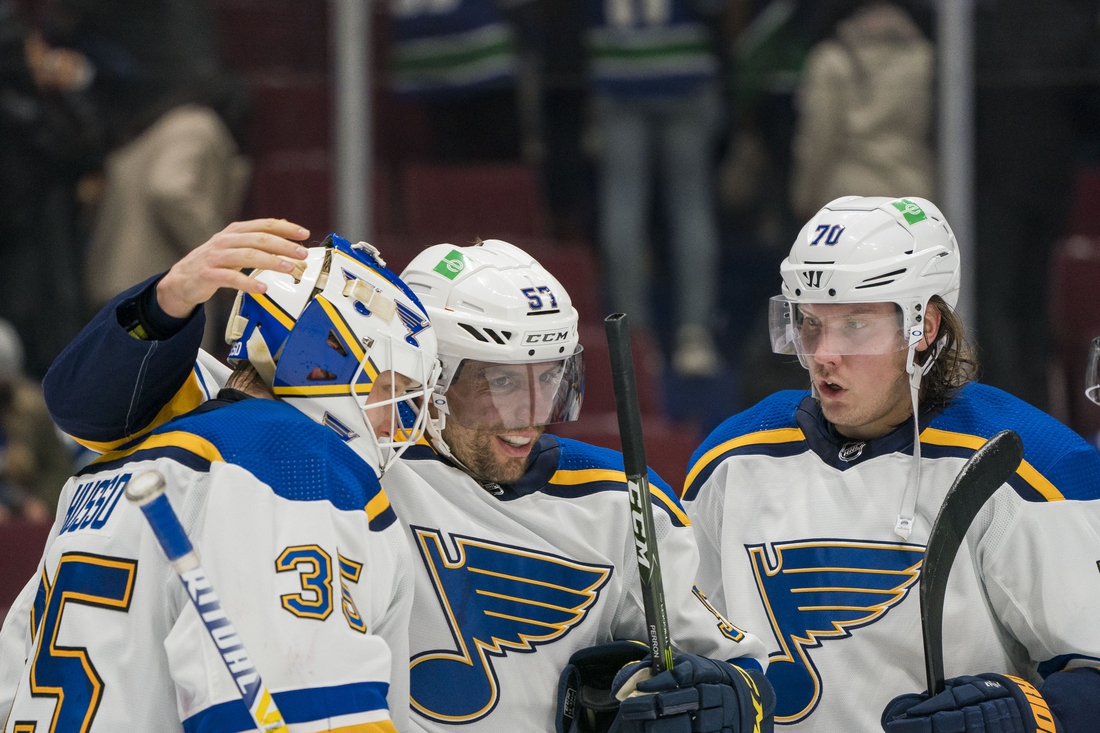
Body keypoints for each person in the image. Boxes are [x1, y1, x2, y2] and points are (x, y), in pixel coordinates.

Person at [31, 226, 776, 732]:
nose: (532, 414)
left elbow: (744, 668)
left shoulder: (623, 497)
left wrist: (729, 696)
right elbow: (85, 404)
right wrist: (168, 299)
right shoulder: (316, 454)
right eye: (497, 382)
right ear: (421, 365)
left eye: (551, 378)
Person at [681, 196, 1100, 732]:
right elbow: (686, 646)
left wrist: (1031, 716)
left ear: (923, 327)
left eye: (854, 325)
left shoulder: (1032, 464)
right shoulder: (730, 458)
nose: (823, 353)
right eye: (809, 322)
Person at [0, 226, 441, 731]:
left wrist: (164, 301)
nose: (400, 425)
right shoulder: (290, 460)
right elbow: (301, 710)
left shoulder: (122, 460)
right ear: (323, 365)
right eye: (391, 390)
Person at [585, 0, 727, 376]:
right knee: (691, 208)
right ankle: (694, 335)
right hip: (684, 65)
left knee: (623, 205)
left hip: (617, 68)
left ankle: (634, 342)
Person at [788, 0, 934, 222]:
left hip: (847, 200)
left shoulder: (830, 60)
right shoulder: (922, 55)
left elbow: (819, 139)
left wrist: (804, 199)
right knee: (913, 254)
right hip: (911, 200)